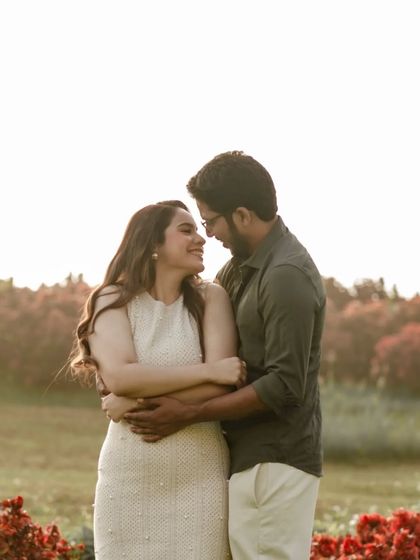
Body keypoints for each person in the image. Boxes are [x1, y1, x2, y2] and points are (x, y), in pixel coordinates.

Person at [108, 152, 327, 560]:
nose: (208, 234)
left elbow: (285, 386)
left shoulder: (285, 276)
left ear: (242, 215)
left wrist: (187, 413)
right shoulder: (240, 269)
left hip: (276, 457)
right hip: (246, 452)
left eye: (210, 221)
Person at [70, 199, 246, 560]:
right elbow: (120, 375)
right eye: (186, 230)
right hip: (128, 478)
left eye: (199, 229)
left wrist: (133, 397)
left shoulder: (211, 297)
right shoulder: (111, 300)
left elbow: (222, 387)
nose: (201, 239)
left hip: (201, 479)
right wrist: (209, 369)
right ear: (152, 244)